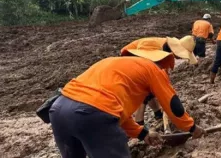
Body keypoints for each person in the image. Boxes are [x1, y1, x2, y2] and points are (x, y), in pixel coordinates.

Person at [49, 38, 204, 158]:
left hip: (58, 110)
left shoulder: (112, 62)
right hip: (90, 115)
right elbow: (173, 106)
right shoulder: (151, 69)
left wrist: (142, 134)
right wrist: (191, 127)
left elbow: (113, 110)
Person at [119, 35, 197, 126]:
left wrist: (166, 96)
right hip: (129, 60)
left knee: (151, 90)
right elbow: (143, 59)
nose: (181, 58)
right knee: (144, 91)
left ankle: (158, 114)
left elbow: (163, 75)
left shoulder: (167, 51)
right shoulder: (154, 45)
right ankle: (139, 123)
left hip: (143, 63)